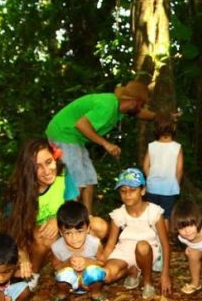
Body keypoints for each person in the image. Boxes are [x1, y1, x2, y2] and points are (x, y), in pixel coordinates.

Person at [4, 138, 106, 290]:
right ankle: (34, 275)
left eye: (48, 161)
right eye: (37, 166)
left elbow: (72, 206)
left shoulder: (63, 175)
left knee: (99, 226)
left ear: (55, 157)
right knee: (43, 234)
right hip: (34, 243)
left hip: (62, 233)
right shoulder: (19, 192)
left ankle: (83, 263)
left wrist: (55, 218)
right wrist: (23, 256)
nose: (46, 171)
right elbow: (11, 231)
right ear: (28, 169)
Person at [46, 80, 156, 214]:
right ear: (134, 102)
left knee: (89, 177)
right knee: (77, 177)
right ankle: (68, 218)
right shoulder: (108, 106)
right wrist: (106, 144)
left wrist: (162, 117)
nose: (141, 108)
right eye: (141, 105)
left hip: (75, 139)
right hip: (63, 134)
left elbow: (140, 113)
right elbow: (81, 125)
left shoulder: (118, 108)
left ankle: (87, 216)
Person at [101, 168, 172, 300]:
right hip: (124, 251)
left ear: (142, 190)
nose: (127, 194)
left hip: (147, 251)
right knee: (106, 276)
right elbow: (111, 244)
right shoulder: (118, 214)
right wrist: (99, 264)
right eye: (123, 191)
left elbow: (165, 244)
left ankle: (147, 281)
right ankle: (132, 270)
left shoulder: (154, 212)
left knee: (142, 246)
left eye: (132, 190)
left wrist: (165, 274)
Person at [48, 201, 108, 301]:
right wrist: (68, 263)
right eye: (68, 233)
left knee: (96, 272)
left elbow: (102, 262)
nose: (74, 238)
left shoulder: (94, 243)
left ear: (88, 229)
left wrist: (88, 261)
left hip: (88, 281)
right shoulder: (57, 247)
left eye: (79, 231)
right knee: (62, 274)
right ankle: (62, 294)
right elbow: (55, 266)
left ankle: (96, 293)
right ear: (61, 232)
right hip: (69, 283)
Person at [143, 112, 183, 231]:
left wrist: (152, 179)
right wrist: (177, 184)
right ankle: (165, 243)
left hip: (152, 188)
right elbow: (179, 169)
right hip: (169, 189)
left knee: (152, 215)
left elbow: (145, 166)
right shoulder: (177, 147)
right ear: (173, 128)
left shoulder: (151, 146)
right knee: (166, 216)